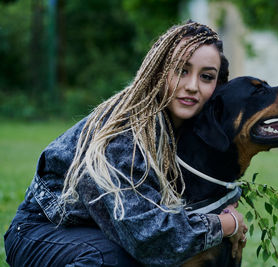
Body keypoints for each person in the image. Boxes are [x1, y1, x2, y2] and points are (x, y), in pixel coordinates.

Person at [4, 21, 247, 266]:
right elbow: (149, 240)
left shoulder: (185, 128)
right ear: (158, 70)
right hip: (43, 233)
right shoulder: (124, 136)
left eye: (206, 77)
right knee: (113, 259)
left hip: (99, 234)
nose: (192, 86)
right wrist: (226, 223)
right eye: (181, 70)